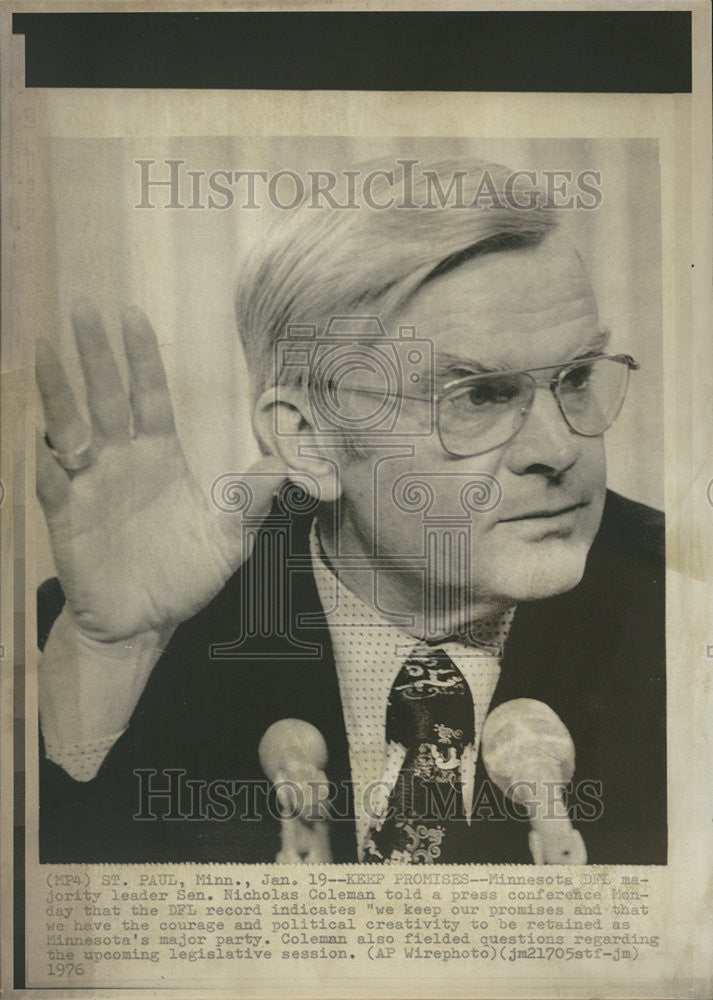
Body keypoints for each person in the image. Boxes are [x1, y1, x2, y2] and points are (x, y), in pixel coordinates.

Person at [36, 158, 666, 865]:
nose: (558, 448)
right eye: (480, 395)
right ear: (310, 441)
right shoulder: (133, 630)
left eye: (576, 376)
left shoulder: (682, 603)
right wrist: (111, 660)